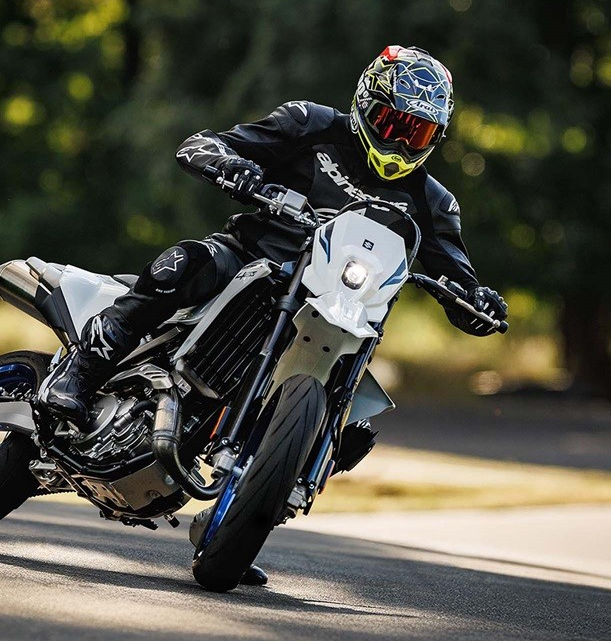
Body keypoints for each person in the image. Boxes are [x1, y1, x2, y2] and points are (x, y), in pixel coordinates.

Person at [41, 45, 508, 584]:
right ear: (366, 102)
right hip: (255, 261)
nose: (402, 142)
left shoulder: (432, 202)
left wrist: (478, 301)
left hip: (341, 310)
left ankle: (243, 518)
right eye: (392, 123)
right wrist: (235, 169)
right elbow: (206, 144)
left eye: (418, 133)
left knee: (354, 427)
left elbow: (458, 274)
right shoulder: (310, 124)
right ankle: (81, 373)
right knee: (186, 263)